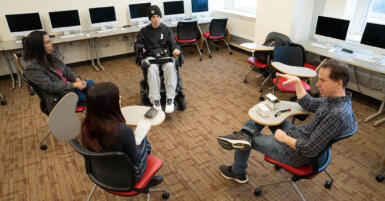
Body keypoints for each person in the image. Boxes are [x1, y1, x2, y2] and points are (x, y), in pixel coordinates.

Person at [217, 59, 356, 183]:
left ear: (339, 83)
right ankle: (244, 133)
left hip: (295, 153)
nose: (317, 84)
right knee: (268, 112)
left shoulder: (336, 114)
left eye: (323, 81)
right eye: (318, 79)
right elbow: (309, 104)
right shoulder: (336, 99)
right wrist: (297, 82)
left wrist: (284, 138)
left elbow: (309, 149)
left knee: (245, 141)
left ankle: (237, 171)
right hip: (299, 135)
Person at [81, 82, 163, 185]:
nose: (120, 97)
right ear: (109, 105)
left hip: (100, 174)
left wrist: (129, 139)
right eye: (117, 97)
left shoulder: (85, 125)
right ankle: (147, 179)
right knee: (144, 139)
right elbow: (136, 159)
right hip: (128, 178)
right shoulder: (123, 130)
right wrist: (137, 140)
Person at [23, 31, 95, 113]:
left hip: (68, 87)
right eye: (47, 42)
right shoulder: (32, 68)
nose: (51, 44)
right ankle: (95, 120)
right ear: (38, 47)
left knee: (93, 86)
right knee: (90, 97)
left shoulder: (50, 54)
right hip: (58, 97)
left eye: (50, 41)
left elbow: (66, 69)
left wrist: (77, 79)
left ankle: (98, 117)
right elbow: (50, 87)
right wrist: (74, 85)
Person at [136, 5, 181, 113]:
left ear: (160, 17)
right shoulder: (144, 31)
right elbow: (138, 44)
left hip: (165, 56)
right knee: (152, 70)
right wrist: (141, 48)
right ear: (150, 19)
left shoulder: (166, 30)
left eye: (157, 16)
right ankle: (156, 100)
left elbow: (173, 44)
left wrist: (175, 49)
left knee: (170, 66)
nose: (155, 19)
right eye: (153, 17)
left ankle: (170, 99)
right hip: (151, 57)